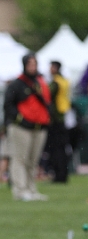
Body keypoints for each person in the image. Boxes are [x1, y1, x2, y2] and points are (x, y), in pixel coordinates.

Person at [3, 53, 51, 201]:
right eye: (30, 64)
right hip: (21, 128)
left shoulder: (40, 82)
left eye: (35, 64)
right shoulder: (17, 84)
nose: (33, 67)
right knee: (19, 159)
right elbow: (8, 105)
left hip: (39, 127)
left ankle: (31, 188)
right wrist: (20, 119)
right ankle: (20, 190)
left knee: (33, 160)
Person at [46, 61, 71, 183]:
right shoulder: (65, 81)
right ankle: (63, 174)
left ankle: (58, 175)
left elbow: (47, 97)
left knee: (56, 149)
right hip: (63, 117)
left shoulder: (55, 82)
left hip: (56, 119)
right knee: (62, 148)